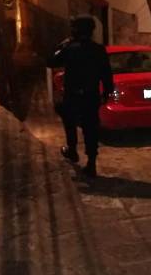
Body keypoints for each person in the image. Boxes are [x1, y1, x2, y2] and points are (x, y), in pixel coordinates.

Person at [47, 15, 114, 177]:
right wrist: (107, 92)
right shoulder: (98, 49)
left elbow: (51, 61)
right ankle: (91, 162)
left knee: (70, 123)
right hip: (91, 95)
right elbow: (106, 73)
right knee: (91, 128)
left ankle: (72, 150)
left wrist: (62, 45)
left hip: (73, 95)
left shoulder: (70, 48)